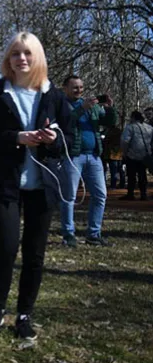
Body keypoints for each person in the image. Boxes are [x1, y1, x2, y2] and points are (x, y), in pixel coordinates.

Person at [0, 31, 70, 341]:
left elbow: (69, 140)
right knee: (7, 246)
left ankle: (25, 315)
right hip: (5, 184)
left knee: (34, 254)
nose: (22, 59)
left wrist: (53, 141)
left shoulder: (53, 95)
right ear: (8, 59)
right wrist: (16, 138)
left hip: (43, 185)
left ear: (37, 58)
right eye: (16, 53)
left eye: (27, 53)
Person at [60, 75, 117, 247]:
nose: (79, 90)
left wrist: (109, 108)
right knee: (69, 196)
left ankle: (94, 234)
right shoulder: (62, 105)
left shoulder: (91, 106)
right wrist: (81, 109)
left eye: (81, 87)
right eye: (75, 87)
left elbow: (109, 122)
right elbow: (65, 122)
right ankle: (68, 234)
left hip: (93, 156)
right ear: (65, 89)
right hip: (72, 156)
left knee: (100, 195)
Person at [120, 111, 153, 200]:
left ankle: (130, 194)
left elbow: (125, 141)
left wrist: (124, 152)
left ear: (133, 117)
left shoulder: (130, 127)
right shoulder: (149, 128)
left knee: (131, 175)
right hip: (145, 155)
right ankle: (143, 194)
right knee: (142, 175)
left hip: (132, 154)